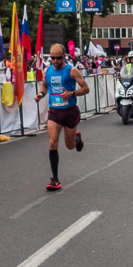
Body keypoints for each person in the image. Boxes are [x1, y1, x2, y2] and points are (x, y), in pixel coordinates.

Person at [34, 44, 90, 191]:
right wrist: (40, 95)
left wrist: (71, 94)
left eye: (58, 58)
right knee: (52, 142)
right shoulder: (48, 71)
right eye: (52, 58)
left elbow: (86, 88)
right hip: (54, 111)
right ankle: (55, 179)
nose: (55, 61)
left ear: (64, 57)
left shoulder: (72, 70)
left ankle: (76, 139)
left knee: (70, 146)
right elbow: (45, 86)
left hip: (70, 111)